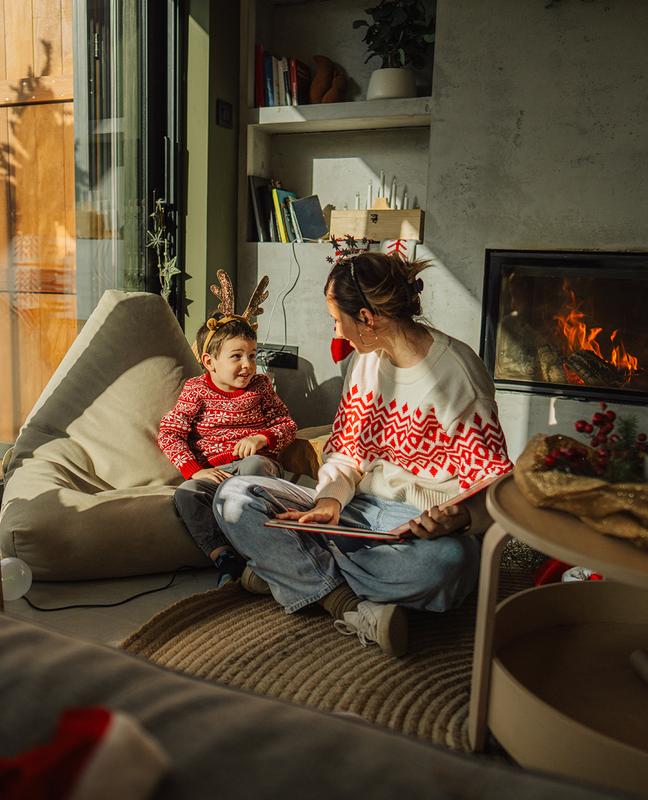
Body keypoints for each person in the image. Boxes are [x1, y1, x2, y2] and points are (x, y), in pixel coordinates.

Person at [212, 252, 513, 657]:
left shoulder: (457, 375)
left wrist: (458, 518)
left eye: (338, 319)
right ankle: (346, 604)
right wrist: (328, 501)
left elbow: (494, 489)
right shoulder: (364, 362)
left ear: (368, 318)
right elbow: (346, 450)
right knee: (233, 497)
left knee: (445, 567)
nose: (336, 329)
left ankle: (289, 570)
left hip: (418, 534)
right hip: (355, 510)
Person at [158, 284, 297, 587]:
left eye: (251, 355)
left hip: (253, 466)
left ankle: (263, 553)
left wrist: (263, 438)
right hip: (215, 474)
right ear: (210, 362)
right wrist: (197, 472)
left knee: (254, 468)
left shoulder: (261, 387)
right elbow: (170, 433)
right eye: (236, 356)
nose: (247, 365)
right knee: (185, 494)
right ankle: (224, 557)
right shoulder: (197, 390)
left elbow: (287, 424)